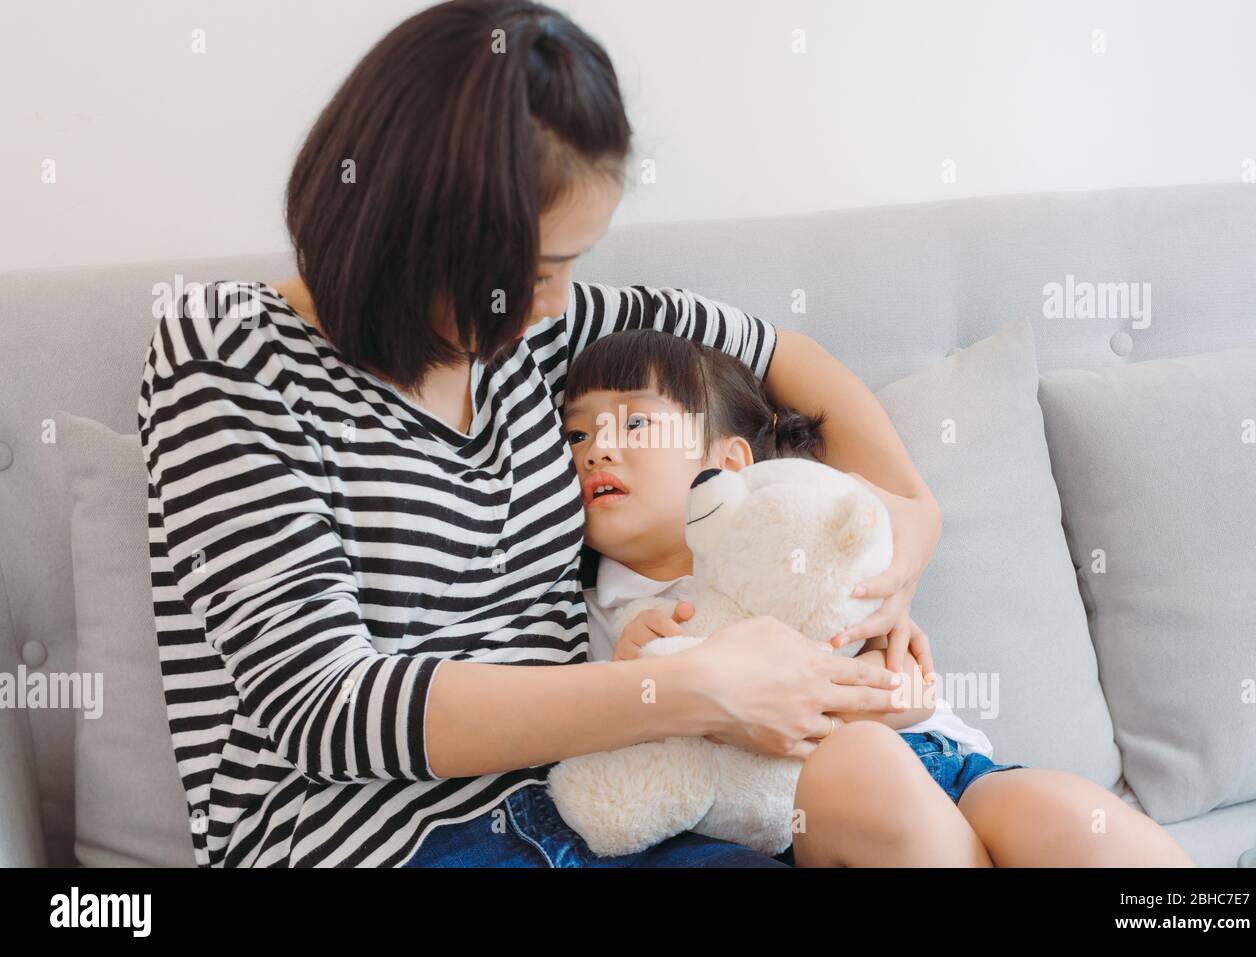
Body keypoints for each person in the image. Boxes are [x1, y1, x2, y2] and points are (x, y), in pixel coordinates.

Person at [137, 0, 947, 868]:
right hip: (377, 841)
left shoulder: (533, 333)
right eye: (534, 270)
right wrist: (690, 689)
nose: (558, 299)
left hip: (596, 803)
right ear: (415, 235)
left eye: (572, 265)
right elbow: (322, 704)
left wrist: (908, 531)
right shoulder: (226, 356)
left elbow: (789, 353)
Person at [565, 328, 1195, 866]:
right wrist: (642, 685)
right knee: (858, 762)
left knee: (1080, 821)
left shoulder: (802, 540)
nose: (597, 450)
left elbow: (908, 688)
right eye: (575, 437)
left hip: (941, 763)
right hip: (800, 818)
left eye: (634, 421)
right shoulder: (606, 612)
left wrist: (831, 700)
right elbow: (623, 759)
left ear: (729, 464)